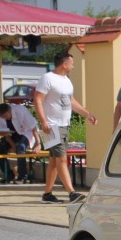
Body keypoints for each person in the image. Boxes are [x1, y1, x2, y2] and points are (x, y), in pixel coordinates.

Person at [34, 51, 97, 204]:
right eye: (72, 63)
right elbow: (37, 99)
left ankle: (47, 194)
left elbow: (71, 101)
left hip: (64, 125)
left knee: (54, 161)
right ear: (64, 64)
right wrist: (43, 121)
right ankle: (72, 193)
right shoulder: (47, 78)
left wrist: (87, 114)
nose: (73, 66)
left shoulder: (66, 80)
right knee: (62, 159)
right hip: (51, 126)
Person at [0, 103, 41, 184]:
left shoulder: (21, 110)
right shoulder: (1, 117)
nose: (4, 118)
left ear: (9, 111)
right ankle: (9, 174)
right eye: (2, 117)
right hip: (13, 134)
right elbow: (6, 134)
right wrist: (12, 144)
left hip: (26, 132)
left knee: (21, 147)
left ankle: (22, 176)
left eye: (5, 116)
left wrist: (38, 143)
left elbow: (33, 126)